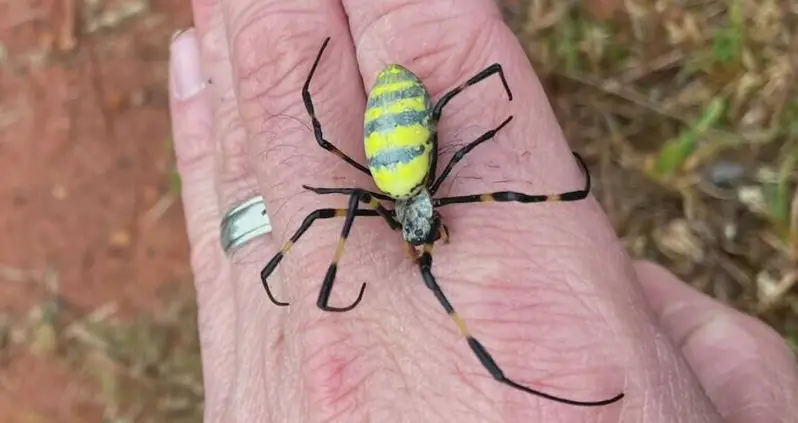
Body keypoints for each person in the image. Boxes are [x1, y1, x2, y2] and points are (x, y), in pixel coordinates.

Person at [166, 0, 798, 421]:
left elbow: (504, 190)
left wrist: (560, 191)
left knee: (376, 201)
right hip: (402, 149)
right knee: (341, 207)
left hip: (397, 155)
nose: (424, 235)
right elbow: (326, 210)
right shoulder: (411, 197)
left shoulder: (391, 198)